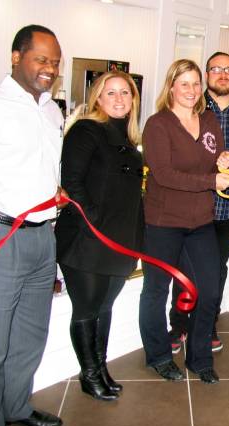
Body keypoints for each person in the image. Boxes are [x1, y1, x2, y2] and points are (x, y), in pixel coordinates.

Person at [0, 25, 65, 426]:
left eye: (55, 62)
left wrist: (57, 191)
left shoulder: (52, 110)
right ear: (16, 57)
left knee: (30, 337)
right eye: (42, 59)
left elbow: (45, 170)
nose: (50, 68)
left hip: (42, 238)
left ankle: (16, 407)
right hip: (0, 237)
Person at [139, 59, 229, 385]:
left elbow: (216, 157)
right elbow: (163, 175)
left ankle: (199, 359)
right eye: (184, 84)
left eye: (196, 84)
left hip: (201, 221)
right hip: (163, 221)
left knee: (208, 291)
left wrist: (222, 160)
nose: (192, 90)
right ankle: (159, 356)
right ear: (171, 87)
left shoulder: (209, 119)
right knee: (156, 291)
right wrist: (211, 181)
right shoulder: (158, 124)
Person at [55, 71, 144, 401]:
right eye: (111, 93)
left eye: (125, 93)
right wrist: (96, 223)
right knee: (87, 308)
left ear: (133, 99)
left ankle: (100, 368)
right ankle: (89, 375)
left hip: (120, 244)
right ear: (98, 99)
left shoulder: (130, 141)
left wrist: (137, 239)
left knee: (104, 307)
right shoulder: (86, 130)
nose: (119, 99)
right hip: (86, 241)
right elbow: (73, 183)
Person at [168, 52, 229, 354]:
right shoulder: (189, 106)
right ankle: (179, 325)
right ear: (206, 75)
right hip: (191, 204)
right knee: (184, 271)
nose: (223, 74)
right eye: (216, 69)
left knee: (215, 271)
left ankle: (206, 325)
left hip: (228, 210)